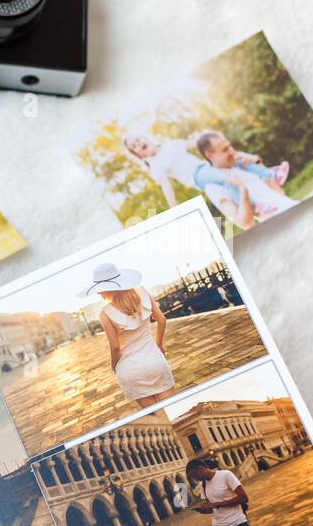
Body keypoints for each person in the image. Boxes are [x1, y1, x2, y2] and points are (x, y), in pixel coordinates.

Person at [82, 262, 175, 407]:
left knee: (159, 420)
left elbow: (115, 348)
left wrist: (114, 367)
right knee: (174, 409)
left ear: (106, 289)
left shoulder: (105, 313)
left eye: (100, 290)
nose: (99, 293)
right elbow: (161, 320)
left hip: (130, 370)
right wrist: (159, 345)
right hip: (154, 360)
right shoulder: (143, 293)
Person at [122, 132, 288, 211]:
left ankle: (271, 175)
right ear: (138, 154)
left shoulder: (169, 143)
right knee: (224, 178)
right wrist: (174, 206)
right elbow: (166, 185)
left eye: (138, 139)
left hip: (205, 165)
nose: (138, 144)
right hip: (197, 177)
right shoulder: (155, 165)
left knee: (233, 160)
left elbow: (194, 143)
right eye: (134, 146)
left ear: (146, 137)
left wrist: (210, 137)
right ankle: (254, 205)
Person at [195, 131, 299, 229]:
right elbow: (245, 224)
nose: (232, 151)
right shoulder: (213, 187)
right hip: (281, 224)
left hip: (293, 207)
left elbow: (278, 191)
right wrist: (242, 189)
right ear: (210, 155)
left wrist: (256, 161)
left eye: (229, 146)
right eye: (225, 149)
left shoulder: (240, 165)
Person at [187, 457, 264, 526]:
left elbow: (243, 498)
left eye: (195, 476)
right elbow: (211, 507)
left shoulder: (225, 475)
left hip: (238, 524)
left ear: (200, 469)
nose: (196, 480)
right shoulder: (202, 485)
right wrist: (204, 509)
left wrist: (218, 504)